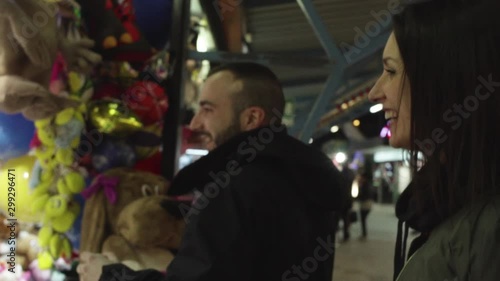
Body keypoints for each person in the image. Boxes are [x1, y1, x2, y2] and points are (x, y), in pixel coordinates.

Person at [77, 62, 349, 281]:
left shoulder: (235, 186)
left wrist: (109, 274)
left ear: (251, 118)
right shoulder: (304, 176)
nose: (194, 123)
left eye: (207, 109)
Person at [368, 0, 500, 280]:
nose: (374, 93)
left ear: (446, 79)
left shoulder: (488, 228)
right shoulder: (453, 202)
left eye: (391, 72)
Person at [356, 170, 374, 239]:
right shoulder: (367, 184)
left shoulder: (365, 185)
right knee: (363, 219)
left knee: (363, 219)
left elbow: (363, 195)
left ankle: (364, 234)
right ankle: (364, 233)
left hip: (365, 204)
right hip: (366, 203)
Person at [339, 164, 354, 241]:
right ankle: (346, 233)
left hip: (343, 200)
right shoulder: (351, 176)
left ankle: (345, 233)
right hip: (348, 200)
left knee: (343, 217)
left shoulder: (341, 176)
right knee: (346, 218)